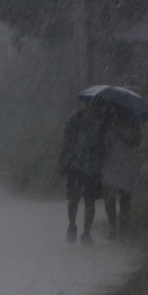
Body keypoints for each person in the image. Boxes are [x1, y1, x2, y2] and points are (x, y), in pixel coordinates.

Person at [59, 100, 104, 244]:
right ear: (87, 104)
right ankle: (72, 225)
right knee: (73, 198)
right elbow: (66, 140)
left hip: (93, 167)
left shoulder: (103, 121)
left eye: (97, 104)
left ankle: (86, 233)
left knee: (90, 201)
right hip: (75, 165)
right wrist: (62, 161)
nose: (95, 106)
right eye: (92, 103)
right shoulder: (76, 119)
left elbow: (106, 143)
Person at [99, 105, 141, 240]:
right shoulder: (106, 121)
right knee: (109, 197)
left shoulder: (133, 121)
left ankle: (123, 233)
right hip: (110, 163)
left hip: (126, 163)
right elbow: (102, 142)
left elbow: (137, 141)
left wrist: (121, 134)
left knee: (125, 200)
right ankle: (113, 228)